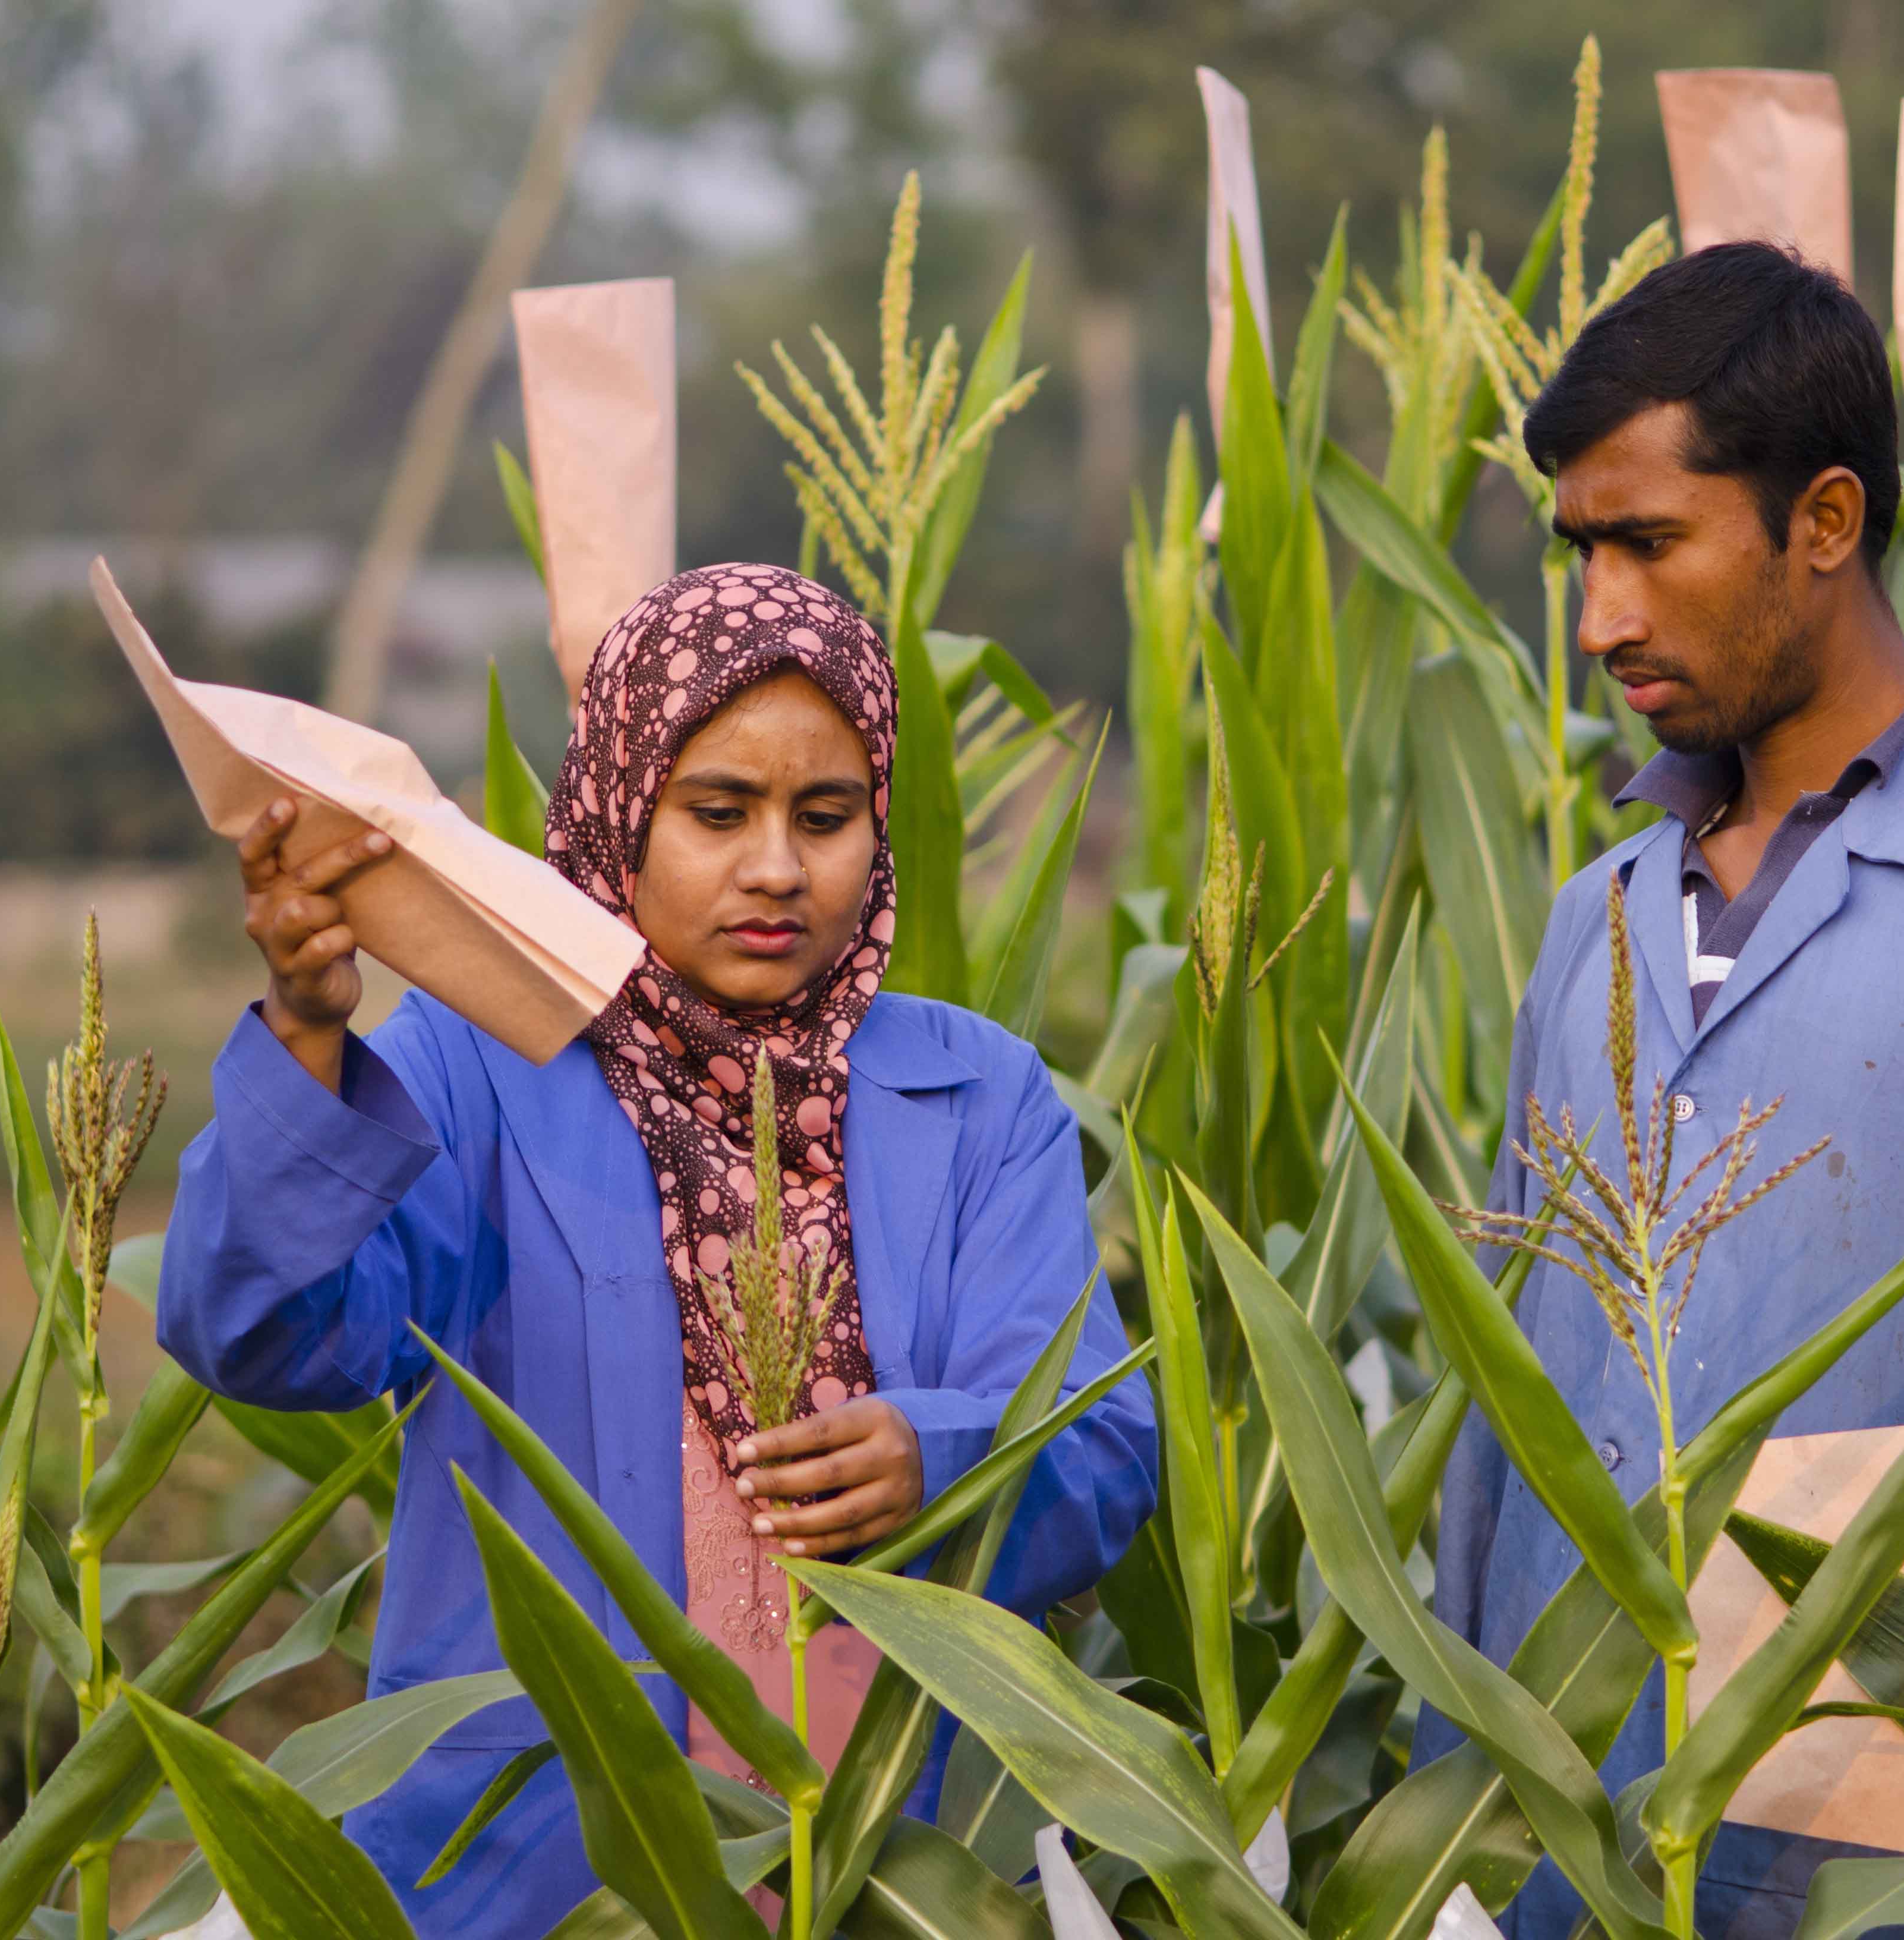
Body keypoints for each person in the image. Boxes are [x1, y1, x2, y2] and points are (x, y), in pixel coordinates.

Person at [159, 562, 1158, 1935]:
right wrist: (310, 1028)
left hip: (907, 1866)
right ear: (622, 810)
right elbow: (265, 1333)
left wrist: (939, 1452)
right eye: (717, 812)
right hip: (544, 1868)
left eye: (827, 816)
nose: (776, 868)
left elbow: (1104, 1457)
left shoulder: (980, 1097)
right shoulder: (478, 1070)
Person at [1417, 243, 1904, 1939]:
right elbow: (1506, 1400)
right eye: (1579, 555)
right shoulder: (1593, 924)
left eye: (1650, 544)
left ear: (1824, 522)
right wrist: (1448, 1829)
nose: (1600, 617)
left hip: (1891, 1875)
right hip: (1561, 1849)